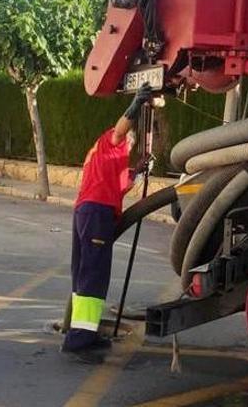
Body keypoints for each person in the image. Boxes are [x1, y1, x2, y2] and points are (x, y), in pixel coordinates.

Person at [61, 83, 153, 364]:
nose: (131, 146)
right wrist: (136, 105)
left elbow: (119, 185)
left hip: (87, 212)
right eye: (132, 143)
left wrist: (138, 171)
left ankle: (84, 332)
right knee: (93, 276)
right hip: (97, 214)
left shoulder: (104, 159)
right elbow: (120, 130)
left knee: (85, 274)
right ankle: (79, 341)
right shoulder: (110, 143)